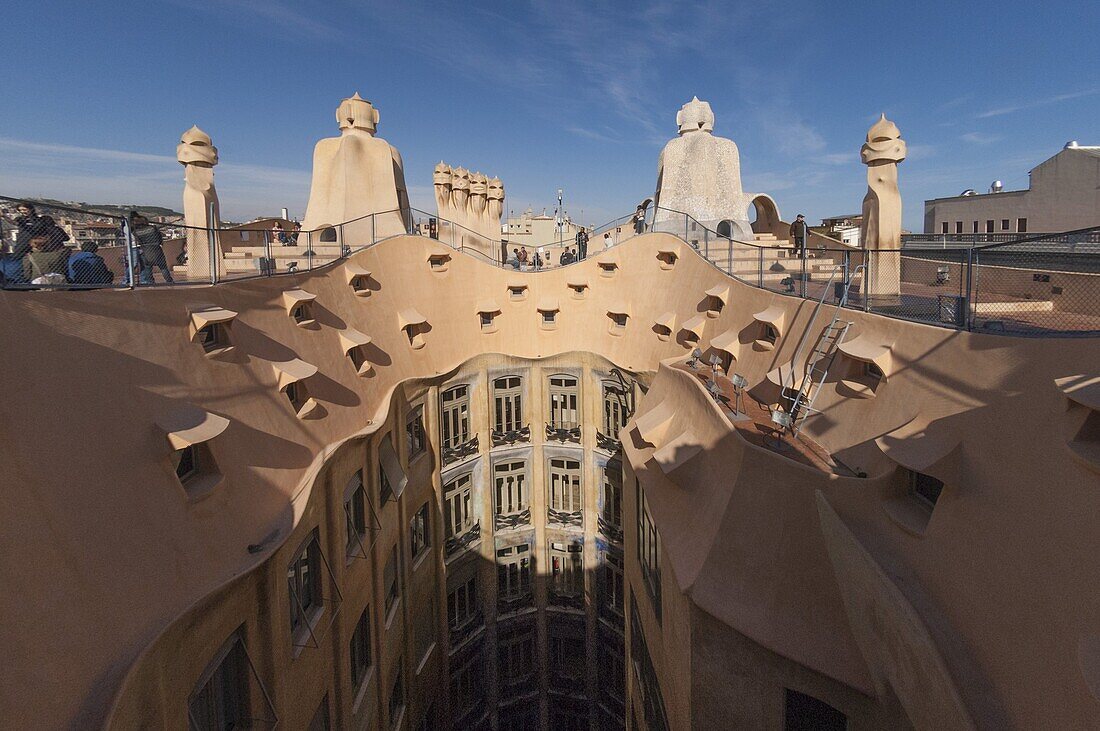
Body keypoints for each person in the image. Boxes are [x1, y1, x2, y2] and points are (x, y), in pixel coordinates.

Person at [130, 212, 174, 284]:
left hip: (146, 250)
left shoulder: (136, 232)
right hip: (156, 249)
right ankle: (169, 281)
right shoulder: (153, 228)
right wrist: (160, 244)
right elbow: (159, 236)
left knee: (148, 268)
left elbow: (139, 242)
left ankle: (150, 282)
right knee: (163, 267)